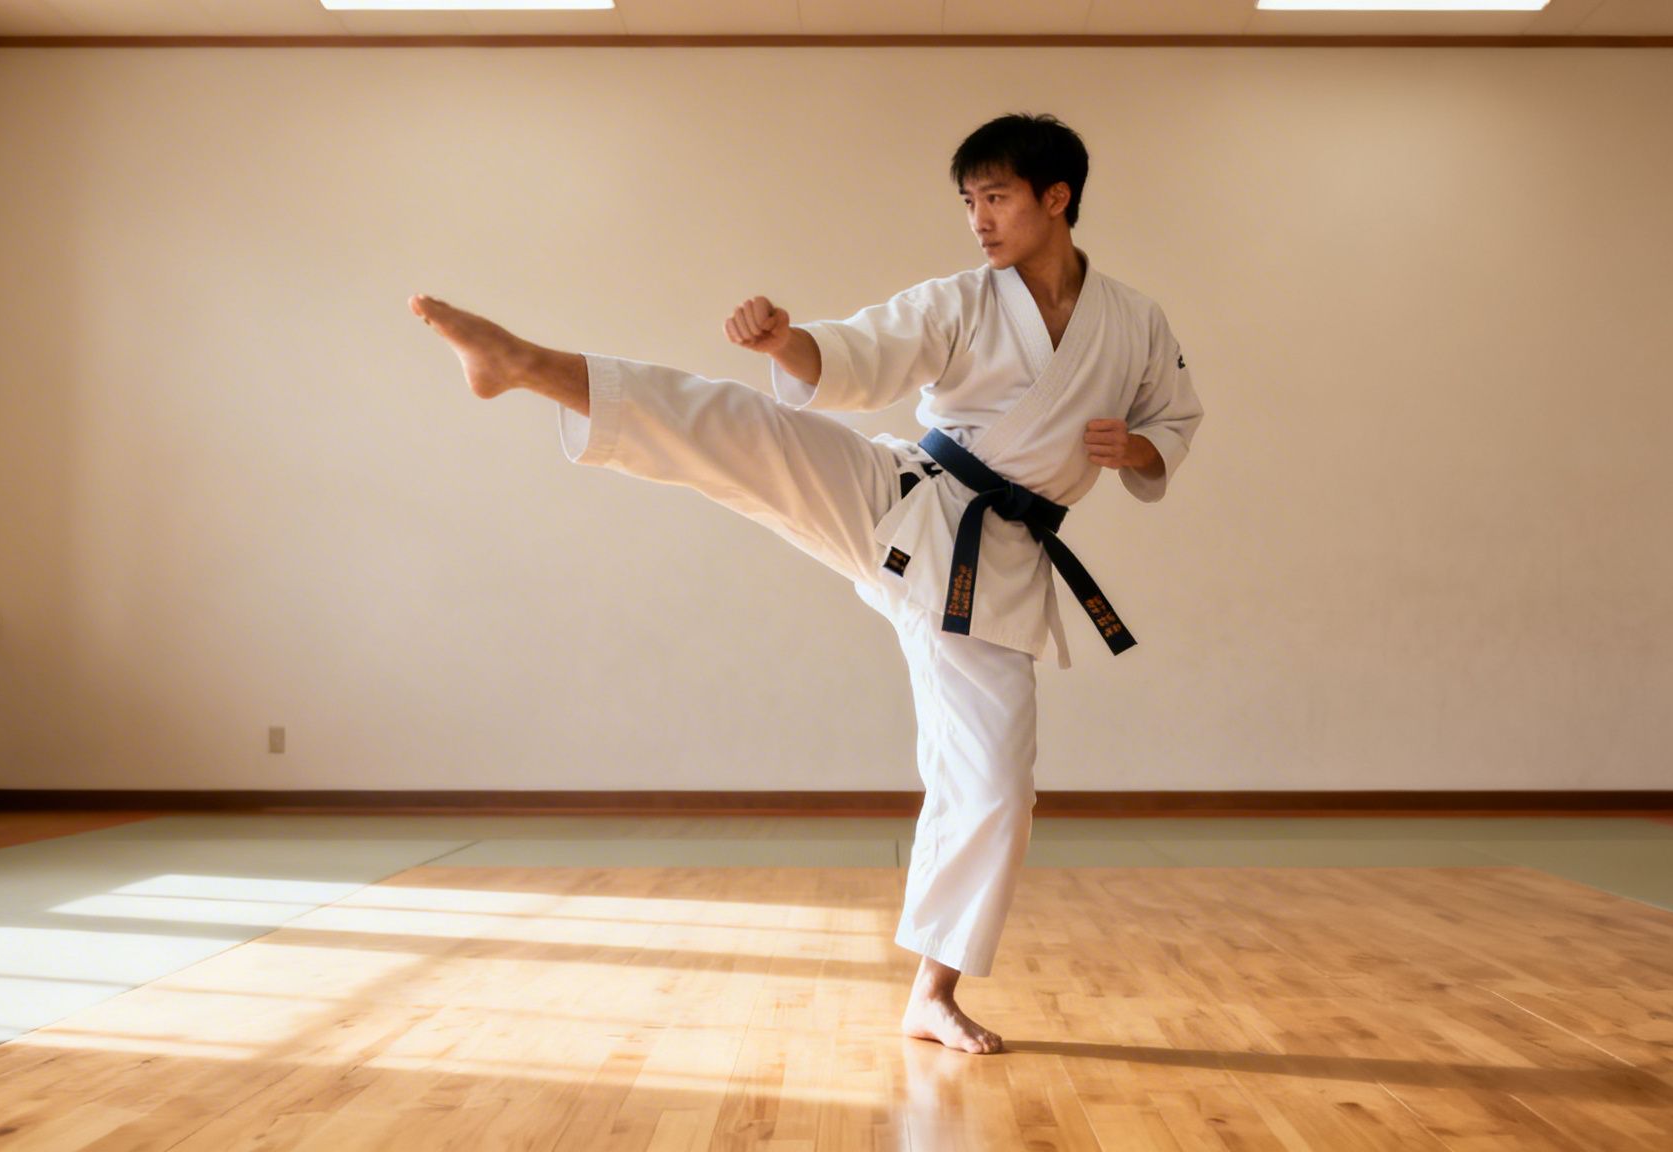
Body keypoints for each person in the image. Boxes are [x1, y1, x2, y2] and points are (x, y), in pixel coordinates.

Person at [412, 113, 1202, 1055]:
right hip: (908, 498)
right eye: (968, 202)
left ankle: (932, 993)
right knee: (752, 430)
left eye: (995, 198)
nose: (978, 220)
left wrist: (1137, 446)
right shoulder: (961, 300)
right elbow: (862, 354)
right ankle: (526, 365)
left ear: (1056, 197)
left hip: (998, 570)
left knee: (997, 788)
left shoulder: (1134, 321)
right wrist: (790, 342)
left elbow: (1175, 420)